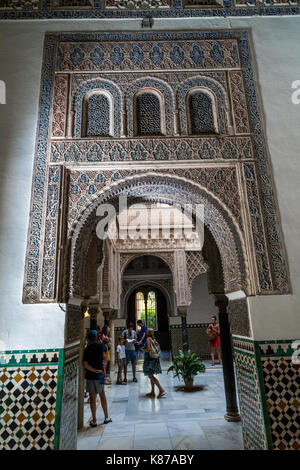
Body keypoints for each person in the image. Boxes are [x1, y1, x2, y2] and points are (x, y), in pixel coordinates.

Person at [83, 329, 112, 426]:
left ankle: (94, 420)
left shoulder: (87, 349)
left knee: (93, 398)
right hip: (99, 375)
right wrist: (101, 371)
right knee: (102, 395)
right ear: (96, 338)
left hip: (91, 376)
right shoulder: (100, 346)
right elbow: (106, 353)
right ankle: (106, 417)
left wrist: (94, 370)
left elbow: (85, 365)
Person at [142, 328, 166, 399]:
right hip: (154, 359)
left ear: (148, 332)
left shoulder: (148, 339)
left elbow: (148, 350)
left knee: (150, 376)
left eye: (147, 331)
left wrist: (143, 350)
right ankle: (152, 391)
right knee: (151, 375)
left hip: (150, 359)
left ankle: (161, 390)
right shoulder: (153, 339)